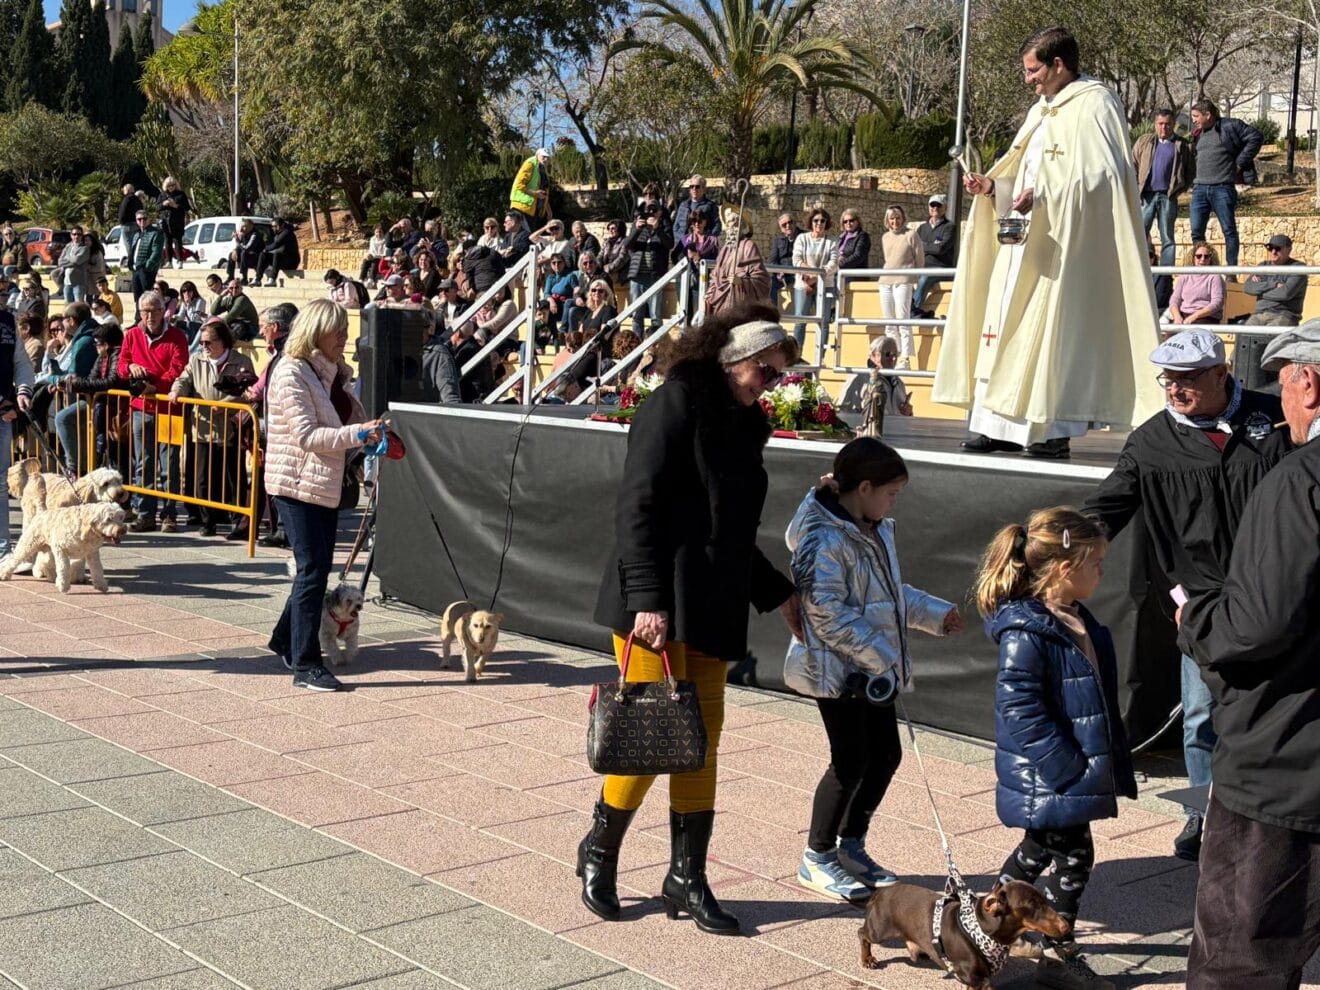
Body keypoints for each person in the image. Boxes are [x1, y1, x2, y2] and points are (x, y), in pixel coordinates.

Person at [580, 303, 803, 935]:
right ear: (732, 360)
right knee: (650, 737)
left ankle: (687, 875)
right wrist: (648, 598)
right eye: (767, 370)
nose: (774, 383)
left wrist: (776, 591)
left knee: (699, 739)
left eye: (780, 373)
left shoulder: (744, 421)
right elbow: (638, 507)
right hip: (657, 598)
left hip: (711, 601)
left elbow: (729, 533)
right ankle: (600, 849)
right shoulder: (674, 403)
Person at [1083, 328, 1290, 860]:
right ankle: (1202, 813)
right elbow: (1107, 507)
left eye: (1188, 379)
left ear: (1222, 373)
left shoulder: (1275, 419)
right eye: (1168, 380)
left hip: (1279, 592)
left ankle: (1277, 815)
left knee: (1280, 710)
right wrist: (1061, 539)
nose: (1175, 389)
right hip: (1202, 604)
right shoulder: (1151, 441)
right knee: (1201, 716)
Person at [935, 27, 1163, 460]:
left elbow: (1107, 177)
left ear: (1059, 64)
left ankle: (1049, 431)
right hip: (1021, 242)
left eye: (1033, 70)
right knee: (1000, 327)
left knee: (1052, 333)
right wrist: (993, 187)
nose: (1028, 80)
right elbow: (1022, 174)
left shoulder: (1096, 103)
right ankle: (994, 425)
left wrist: (1045, 194)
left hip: (1065, 245)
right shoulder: (1041, 111)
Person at [1179, 322, 1320, 988]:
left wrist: (1196, 618)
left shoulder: (1301, 483)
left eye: (1284, 385)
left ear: (1309, 383)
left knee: (1243, 958)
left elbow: (1254, 628)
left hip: (1284, 768)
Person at [784, 437, 962, 902]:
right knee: (849, 761)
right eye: (891, 493)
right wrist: (881, 654)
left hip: (873, 672)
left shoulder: (876, 528)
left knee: (885, 755)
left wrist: (934, 615)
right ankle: (816, 856)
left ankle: (851, 844)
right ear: (864, 487)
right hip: (837, 672)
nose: (893, 501)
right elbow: (823, 611)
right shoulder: (823, 537)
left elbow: (887, 592)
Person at [975, 507, 1135, 990]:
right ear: (1067, 568)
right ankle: (1058, 955)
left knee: (1038, 847)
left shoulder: (1072, 617)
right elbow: (1019, 709)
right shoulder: (1028, 630)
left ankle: (987, 922)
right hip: (1054, 772)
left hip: (1069, 768)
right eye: (1097, 563)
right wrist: (1067, 768)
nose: (1102, 572)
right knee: (1074, 857)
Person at [265, 299, 383, 691]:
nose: (344, 339)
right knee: (313, 573)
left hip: (322, 485)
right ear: (315, 332)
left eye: (345, 331)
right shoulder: (291, 373)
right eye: (338, 332)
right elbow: (306, 436)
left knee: (313, 572)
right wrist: (359, 433)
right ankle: (305, 664)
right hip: (296, 485)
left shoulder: (327, 373)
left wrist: (371, 432)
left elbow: (343, 419)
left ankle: (285, 640)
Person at [168, 317, 256, 537]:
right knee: (203, 477)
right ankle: (207, 520)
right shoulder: (197, 360)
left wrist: (226, 405)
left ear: (223, 342)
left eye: (209, 342)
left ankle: (238, 520)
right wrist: (176, 391)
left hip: (231, 426)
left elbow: (249, 390)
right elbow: (184, 379)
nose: (204, 346)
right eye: (202, 342)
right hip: (203, 426)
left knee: (232, 475)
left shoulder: (241, 361)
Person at [116, 291, 188, 532]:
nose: (149, 315)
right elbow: (121, 366)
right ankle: (145, 514)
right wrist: (131, 366)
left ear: (162, 311)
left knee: (169, 465)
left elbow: (178, 369)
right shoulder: (132, 335)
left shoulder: (177, 336)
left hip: (169, 409)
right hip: (140, 409)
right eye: (145, 311)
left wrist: (154, 385)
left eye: (154, 310)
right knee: (142, 464)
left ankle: (169, 515)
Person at [241, 303, 297, 548]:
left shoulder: (288, 355)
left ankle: (286, 530)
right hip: (278, 428)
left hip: (284, 430)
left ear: (275, 328)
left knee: (284, 482)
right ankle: (282, 529)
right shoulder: (280, 353)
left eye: (263, 328)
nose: (261, 333)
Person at [1189, 99, 1263, 269]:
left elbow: (1256, 137)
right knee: (1196, 232)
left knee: (1228, 231)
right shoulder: (1197, 134)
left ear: (1208, 115)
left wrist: (1240, 162)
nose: (1193, 120)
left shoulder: (1230, 126)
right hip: (1199, 189)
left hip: (1222, 187)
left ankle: (1231, 271)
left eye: (1196, 116)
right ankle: (1201, 268)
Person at [1134, 109, 1195, 267]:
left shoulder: (1182, 145)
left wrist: (1178, 189)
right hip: (1146, 196)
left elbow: (1190, 172)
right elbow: (1132, 165)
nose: (1164, 128)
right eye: (1160, 124)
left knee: (1167, 236)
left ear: (1173, 124)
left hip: (1167, 197)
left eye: (1167, 124)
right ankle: (1138, 267)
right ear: (1155, 124)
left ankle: (1166, 272)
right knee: (1139, 233)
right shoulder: (1144, 142)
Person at [47, 302, 99, 474]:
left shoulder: (84, 341)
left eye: (64, 320)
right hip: (87, 397)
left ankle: (73, 468)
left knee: (62, 419)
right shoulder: (85, 337)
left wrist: (52, 378)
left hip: (91, 398)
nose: (62, 325)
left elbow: (74, 377)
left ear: (71, 320)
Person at [0, 305, 34, 562]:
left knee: (1, 483)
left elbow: (22, 363)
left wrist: (23, 391)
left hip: (3, 415)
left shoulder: (8, 321)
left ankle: (3, 550)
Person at [877, 205, 923, 370]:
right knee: (889, 321)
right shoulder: (885, 237)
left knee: (903, 318)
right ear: (887, 221)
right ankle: (893, 355)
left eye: (897, 218)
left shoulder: (911, 235)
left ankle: (906, 357)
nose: (895, 221)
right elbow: (888, 258)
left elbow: (919, 259)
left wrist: (915, 278)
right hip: (885, 280)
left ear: (903, 218)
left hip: (904, 279)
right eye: (892, 218)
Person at [705, 208, 770, 316]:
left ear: (741, 226)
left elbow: (761, 277)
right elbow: (715, 276)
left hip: (740, 300)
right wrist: (709, 294)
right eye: (729, 222)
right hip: (721, 299)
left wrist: (742, 281)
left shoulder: (749, 246)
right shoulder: (724, 250)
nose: (731, 226)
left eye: (735, 223)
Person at [626, 186, 673, 336]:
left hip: (655, 274)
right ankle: (636, 350)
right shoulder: (638, 219)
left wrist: (658, 227)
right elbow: (627, 245)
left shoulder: (664, 221)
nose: (648, 196)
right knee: (636, 315)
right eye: (645, 194)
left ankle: (657, 348)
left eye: (652, 194)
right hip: (637, 274)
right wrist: (636, 230)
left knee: (655, 316)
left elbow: (670, 244)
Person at [791, 208, 838, 352]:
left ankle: (820, 355)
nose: (819, 223)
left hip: (825, 285)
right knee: (800, 321)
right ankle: (796, 355)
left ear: (826, 223)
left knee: (823, 322)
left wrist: (816, 276)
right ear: (811, 222)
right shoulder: (802, 238)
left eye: (822, 221)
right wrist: (810, 274)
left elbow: (834, 262)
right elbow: (797, 259)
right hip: (803, 284)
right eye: (816, 220)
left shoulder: (832, 241)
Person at [912, 195, 958, 317]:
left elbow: (940, 249)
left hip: (940, 268)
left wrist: (923, 246)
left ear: (945, 208)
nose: (935, 208)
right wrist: (931, 246)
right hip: (922, 267)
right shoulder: (922, 228)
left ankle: (912, 311)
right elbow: (914, 248)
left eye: (939, 205)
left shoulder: (949, 227)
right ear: (928, 207)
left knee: (924, 278)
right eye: (932, 205)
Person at [1167, 243, 1225, 325]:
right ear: (1193, 258)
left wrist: (1195, 316)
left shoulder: (1215, 277)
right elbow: (1175, 299)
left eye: (1206, 256)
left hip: (1205, 317)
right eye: (1199, 256)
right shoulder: (1185, 276)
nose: (1202, 259)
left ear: (1210, 259)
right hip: (1183, 315)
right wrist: (1177, 316)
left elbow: (1217, 303)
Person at [671, 174, 722, 260]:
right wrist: (682, 240)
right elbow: (676, 226)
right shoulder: (683, 205)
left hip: (701, 250)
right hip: (682, 248)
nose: (694, 189)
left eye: (697, 186)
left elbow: (717, 226)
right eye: (692, 186)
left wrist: (707, 240)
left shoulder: (710, 206)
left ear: (704, 189)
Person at [127, 210, 164, 306]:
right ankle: (138, 318)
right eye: (139, 219)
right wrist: (131, 264)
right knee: (137, 297)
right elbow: (133, 251)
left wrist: (148, 266)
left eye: (144, 218)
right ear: (136, 221)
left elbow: (157, 252)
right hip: (136, 269)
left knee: (147, 296)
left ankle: (145, 318)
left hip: (147, 270)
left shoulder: (156, 233)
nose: (142, 221)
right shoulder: (136, 234)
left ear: (149, 219)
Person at [509, 148, 552, 227]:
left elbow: (543, 194)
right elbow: (519, 185)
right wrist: (534, 193)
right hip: (521, 207)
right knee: (524, 236)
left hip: (532, 209)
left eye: (548, 158)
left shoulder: (542, 170)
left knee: (528, 236)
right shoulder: (530, 164)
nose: (546, 159)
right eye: (543, 157)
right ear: (537, 155)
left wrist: (548, 210)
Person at [156, 177, 191, 270]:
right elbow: (157, 207)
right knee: (167, 242)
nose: (171, 187)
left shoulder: (181, 194)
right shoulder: (162, 195)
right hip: (165, 222)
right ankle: (169, 261)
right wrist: (164, 204)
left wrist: (176, 206)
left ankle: (180, 261)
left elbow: (187, 207)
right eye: (169, 186)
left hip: (177, 222)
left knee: (177, 241)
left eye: (173, 185)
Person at [256, 217, 300, 286]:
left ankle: (272, 279)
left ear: (282, 225)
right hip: (281, 259)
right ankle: (257, 279)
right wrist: (264, 251)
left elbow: (276, 244)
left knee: (276, 254)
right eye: (272, 226)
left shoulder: (287, 233)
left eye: (275, 226)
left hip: (292, 261)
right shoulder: (277, 234)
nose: (273, 228)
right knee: (263, 255)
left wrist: (265, 249)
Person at [54, 226, 90, 303]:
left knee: (78, 306)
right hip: (67, 282)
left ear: (82, 236)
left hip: (78, 283)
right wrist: (72, 260)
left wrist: (67, 257)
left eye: (79, 234)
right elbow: (60, 262)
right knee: (68, 306)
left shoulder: (84, 248)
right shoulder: (68, 246)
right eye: (74, 234)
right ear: (71, 235)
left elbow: (77, 260)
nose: (76, 236)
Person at [770, 213, 800, 305]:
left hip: (799, 273)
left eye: (790, 222)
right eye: (784, 224)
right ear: (781, 228)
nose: (788, 226)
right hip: (782, 275)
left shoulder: (804, 236)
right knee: (773, 282)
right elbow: (772, 261)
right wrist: (778, 271)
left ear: (794, 223)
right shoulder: (778, 240)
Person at [599, 219, 630, 287]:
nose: (610, 230)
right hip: (606, 270)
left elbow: (622, 259)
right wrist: (597, 266)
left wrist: (609, 268)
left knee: (602, 279)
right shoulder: (606, 242)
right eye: (609, 229)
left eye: (613, 228)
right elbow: (600, 256)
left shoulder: (626, 242)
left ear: (619, 229)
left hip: (620, 272)